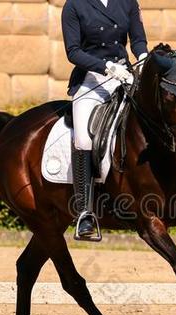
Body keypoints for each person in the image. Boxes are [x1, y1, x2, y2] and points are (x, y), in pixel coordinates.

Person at [61, 0, 148, 237]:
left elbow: (137, 39)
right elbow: (73, 51)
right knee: (83, 138)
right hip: (91, 80)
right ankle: (84, 213)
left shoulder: (128, 2)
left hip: (125, 76)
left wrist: (142, 60)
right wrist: (107, 67)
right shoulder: (74, 6)